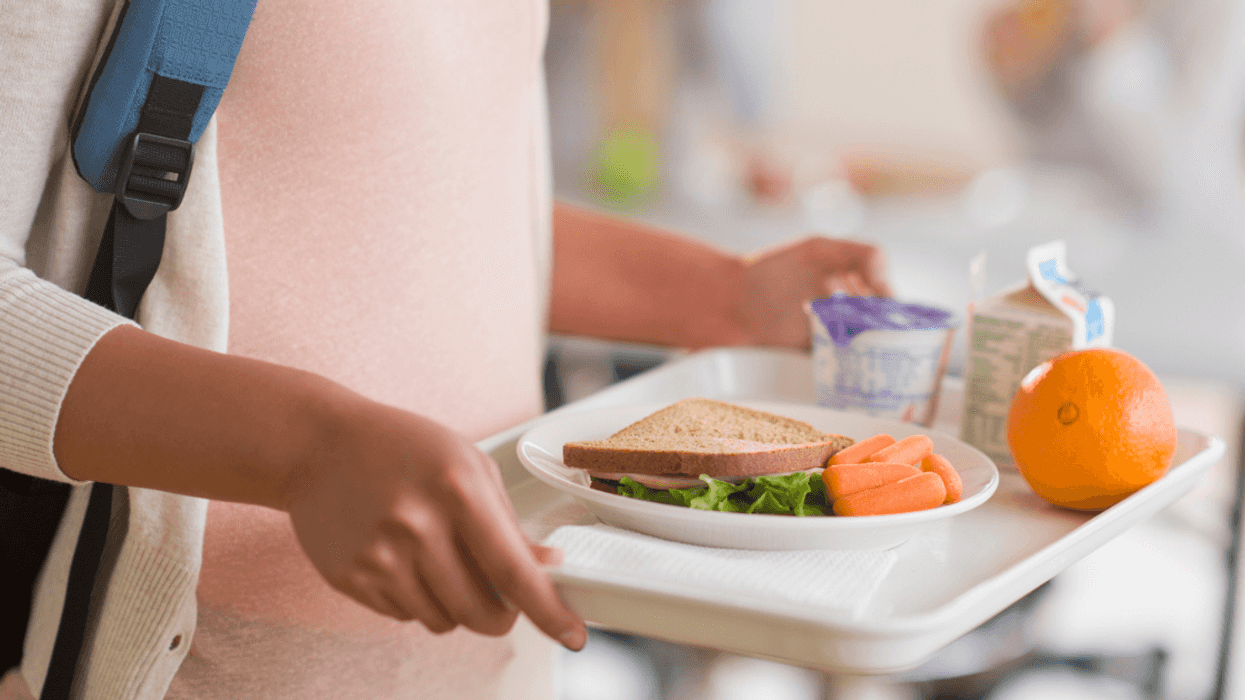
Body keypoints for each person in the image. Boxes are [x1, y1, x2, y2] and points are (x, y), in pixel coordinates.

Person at [0, 1, 890, 699]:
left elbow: (422, 210)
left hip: (503, 665)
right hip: (205, 673)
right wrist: (306, 451)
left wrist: (720, 297)